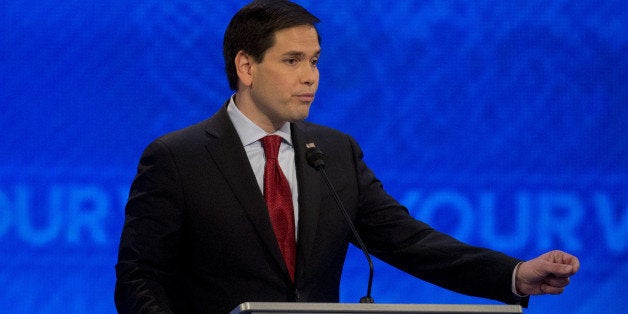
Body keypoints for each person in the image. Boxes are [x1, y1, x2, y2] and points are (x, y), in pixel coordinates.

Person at [114, 1, 580, 313]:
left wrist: (514, 274)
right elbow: (139, 280)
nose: (311, 77)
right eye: (292, 60)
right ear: (246, 66)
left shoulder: (333, 152)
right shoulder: (178, 158)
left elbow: (408, 242)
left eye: (314, 61)